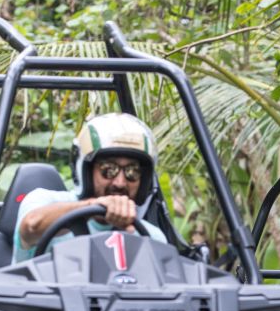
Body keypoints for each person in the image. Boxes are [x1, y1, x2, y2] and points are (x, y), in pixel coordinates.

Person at [13, 112, 167, 262]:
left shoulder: (151, 237)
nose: (120, 183)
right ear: (86, 171)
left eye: (132, 172)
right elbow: (31, 227)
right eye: (108, 169)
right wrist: (93, 206)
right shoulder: (44, 201)